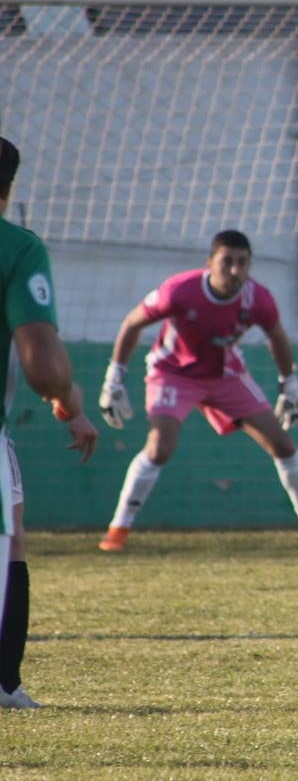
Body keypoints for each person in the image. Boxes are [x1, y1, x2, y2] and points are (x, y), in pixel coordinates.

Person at [96, 229, 298, 551]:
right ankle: (118, 530)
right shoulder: (180, 290)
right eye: (227, 262)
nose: (236, 270)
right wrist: (114, 378)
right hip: (173, 374)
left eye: (243, 263)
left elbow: (277, 337)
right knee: (159, 448)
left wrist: (289, 383)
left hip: (226, 375)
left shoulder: (258, 298)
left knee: (282, 443)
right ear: (209, 262)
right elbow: (132, 323)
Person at [0, 136, 99, 709]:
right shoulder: (17, 249)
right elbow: (43, 366)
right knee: (9, 543)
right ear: (8, 190)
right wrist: (67, 399)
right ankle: (3, 681)